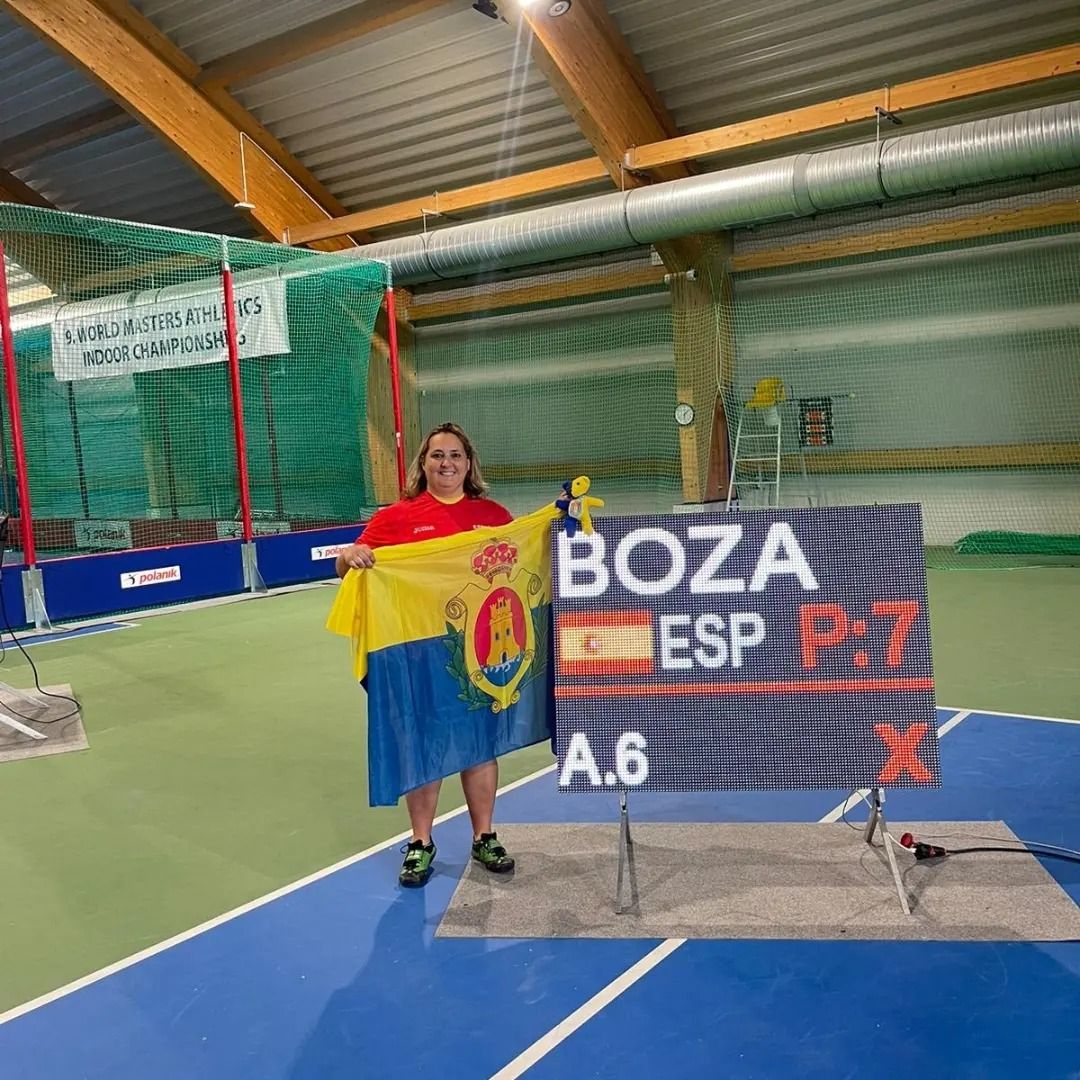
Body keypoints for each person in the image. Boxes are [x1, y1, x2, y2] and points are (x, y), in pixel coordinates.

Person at [335, 422, 517, 888]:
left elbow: (523, 560)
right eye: (437, 456)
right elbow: (348, 563)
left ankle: (485, 837)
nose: (447, 464)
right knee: (425, 746)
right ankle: (420, 843)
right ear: (423, 464)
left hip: (476, 651)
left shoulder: (493, 515)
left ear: (469, 463)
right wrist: (352, 555)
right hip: (419, 652)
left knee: (480, 744)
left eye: (456, 455)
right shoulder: (397, 517)